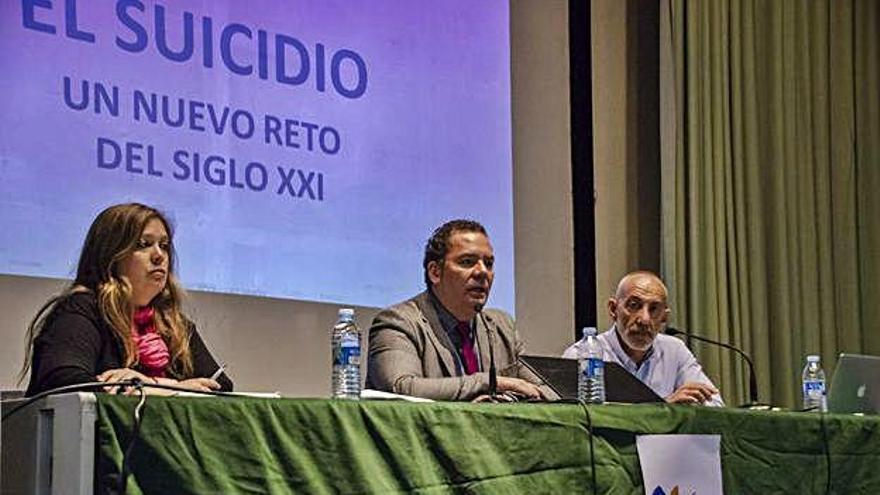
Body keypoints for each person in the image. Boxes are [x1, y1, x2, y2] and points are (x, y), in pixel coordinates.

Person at [21, 203, 233, 396]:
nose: (159, 255)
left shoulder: (174, 324)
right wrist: (161, 389)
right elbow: (63, 381)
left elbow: (220, 386)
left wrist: (153, 385)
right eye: (144, 244)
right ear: (111, 255)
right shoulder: (82, 310)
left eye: (164, 246)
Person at [366, 219, 550, 401]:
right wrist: (486, 383)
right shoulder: (398, 322)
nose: (482, 272)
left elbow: (545, 390)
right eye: (467, 262)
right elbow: (401, 388)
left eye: (489, 263)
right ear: (435, 272)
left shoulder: (502, 326)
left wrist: (503, 397)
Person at [563, 271, 723, 406]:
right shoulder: (583, 355)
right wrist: (663, 408)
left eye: (654, 309)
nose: (644, 319)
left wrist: (693, 403)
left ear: (664, 318)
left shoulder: (674, 350)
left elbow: (716, 405)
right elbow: (572, 419)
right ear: (613, 310)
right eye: (634, 305)